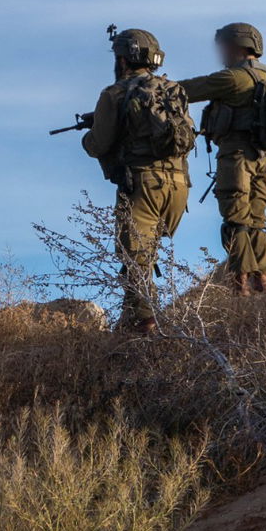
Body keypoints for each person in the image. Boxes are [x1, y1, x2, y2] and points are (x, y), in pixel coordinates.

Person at [81, 28, 196, 333]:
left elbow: (100, 144)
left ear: (122, 59)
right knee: (142, 256)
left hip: (143, 184)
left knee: (135, 260)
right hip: (179, 187)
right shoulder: (174, 90)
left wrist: (87, 138)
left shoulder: (113, 94)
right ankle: (127, 323)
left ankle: (148, 326)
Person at [177, 23, 266, 295]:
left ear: (235, 46)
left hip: (237, 158)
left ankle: (241, 286)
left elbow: (185, 90)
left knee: (236, 220)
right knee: (258, 220)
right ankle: (265, 283)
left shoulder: (234, 78)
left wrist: (153, 84)